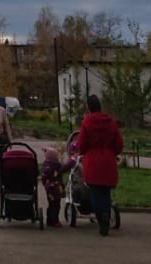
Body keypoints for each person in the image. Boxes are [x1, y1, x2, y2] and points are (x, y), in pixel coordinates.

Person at [79, 94, 124, 236]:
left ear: (88, 107)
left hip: (93, 161)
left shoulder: (87, 122)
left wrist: (82, 152)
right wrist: (113, 152)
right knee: (106, 192)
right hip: (109, 161)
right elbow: (118, 144)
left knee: (95, 192)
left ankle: (102, 216)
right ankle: (106, 212)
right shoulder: (110, 121)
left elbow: (82, 144)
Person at [40, 147, 73, 227]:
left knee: (51, 205)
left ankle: (49, 220)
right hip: (56, 188)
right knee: (56, 205)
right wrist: (72, 160)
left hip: (49, 188)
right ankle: (55, 221)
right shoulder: (56, 166)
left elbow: (43, 178)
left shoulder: (45, 166)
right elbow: (64, 168)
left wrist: (45, 184)